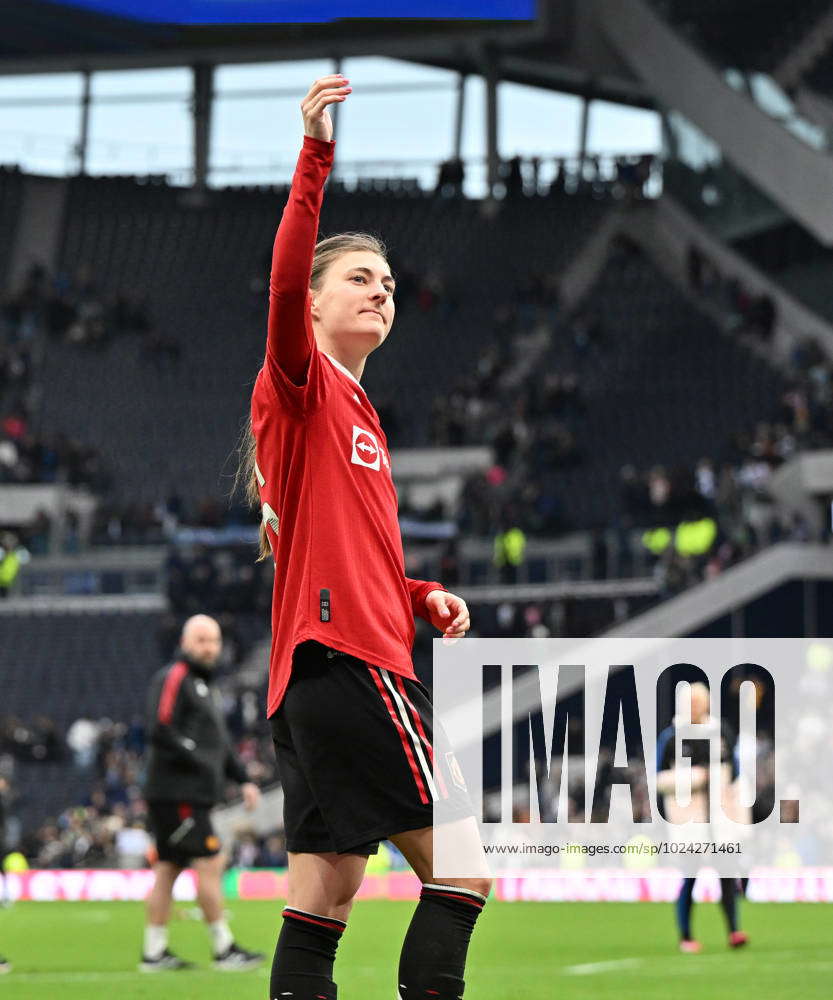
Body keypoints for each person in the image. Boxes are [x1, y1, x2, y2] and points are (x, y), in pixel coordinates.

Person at [237, 75, 491, 1000]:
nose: (381, 291)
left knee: (327, 889)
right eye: (357, 278)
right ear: (308, 303)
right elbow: (282, 270)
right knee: (463, 865)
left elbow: (358, 552)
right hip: (351, 660)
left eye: (388, 284)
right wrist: (315, 156)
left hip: (309, 675)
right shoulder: (299, 381)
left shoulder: (354, 410)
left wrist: (420, 596)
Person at [140, 613, 264, 972]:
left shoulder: (206, 686)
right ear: (184, 642)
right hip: (177, 794)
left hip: (188, 795)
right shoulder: (174, 677)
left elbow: (221, 745)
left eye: (213, 641)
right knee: (210, 861)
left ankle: (154, 953)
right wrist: (199, 758)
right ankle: (224, 949)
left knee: (168, 869)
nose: (209, 647)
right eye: (201, 640)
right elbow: (159, 727)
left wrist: (242, 779)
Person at [656, 682, 749, 953]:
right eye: (691, 702)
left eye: (699, 702)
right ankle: (686, 936)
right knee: (690, 878)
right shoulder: (671, 737)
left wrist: (740, 820)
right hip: (689, 825)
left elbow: (736, 777)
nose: (695, 707)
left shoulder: (721, 733)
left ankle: (734, 931)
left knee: (727, 878)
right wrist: (696, 778)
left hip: (721, 825)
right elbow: (659, 780)